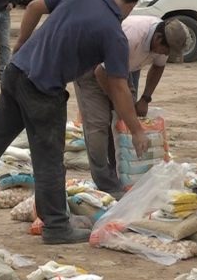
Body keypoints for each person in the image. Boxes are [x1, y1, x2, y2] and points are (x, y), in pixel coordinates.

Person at [0, 0, 150, 244]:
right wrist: (136, 129)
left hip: (16, 72)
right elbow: (119, 87)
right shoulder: (113, 33)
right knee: (50, 158)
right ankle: (56, 227)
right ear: (130, 5)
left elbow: (32, 7)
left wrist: (20, 47)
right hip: (43, 89)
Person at [73, 17, 188, 196]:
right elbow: (100, 73)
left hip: (121, 69)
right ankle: (106, 184)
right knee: (99, 124)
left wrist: (145, 99)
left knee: (123, 124)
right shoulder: (130, 37)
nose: (166, 55)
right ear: (158, 39)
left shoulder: (164, 38)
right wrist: (118, 103)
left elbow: (157, 68)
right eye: (166, 51)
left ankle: (123, 176)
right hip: (91, 68)